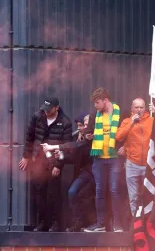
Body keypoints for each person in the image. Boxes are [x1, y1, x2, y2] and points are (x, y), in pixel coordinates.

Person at [19, 97, 72, 232]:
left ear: (56, 108)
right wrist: (26, 157)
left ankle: (55, 224)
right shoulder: (37, 117)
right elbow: (29, 137)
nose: (46, 112)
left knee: (53, 195)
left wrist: (58, 166)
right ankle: (42, 223)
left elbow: (65, 147)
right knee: (39, 195)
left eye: (49, 110)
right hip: (38, 162)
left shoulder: (65, 122)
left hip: (53, 163)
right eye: (45, 109)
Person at [42, 114, 95, 232]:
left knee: (85, 196)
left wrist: (54, 147)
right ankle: (79, 221)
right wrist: (60, 156)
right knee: (72, 192)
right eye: (80, 125)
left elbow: (77, 147)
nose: (81, 128)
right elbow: (73, 157)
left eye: (84, 125)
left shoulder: (91, 138)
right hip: (84, 172)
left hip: (94, 172)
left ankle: (93, 223)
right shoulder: (79, 138)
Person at [83, 87, 126, 232]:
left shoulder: (121, 112)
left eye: (97, 102)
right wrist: (88, 136)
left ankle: (118, 224)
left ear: (106, 100)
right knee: (99, 191)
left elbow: (128, 132)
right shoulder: (95, 115)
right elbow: (88, 132)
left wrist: (125, 146)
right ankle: (100, 224)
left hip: (115, 158)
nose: (95, 105)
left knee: (114, 190)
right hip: (99, 158)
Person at [116, 98, 155, 217]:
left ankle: (148, 223)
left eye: (141, 107)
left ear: (145, 108)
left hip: (149, 165)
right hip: (132, 164)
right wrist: (131, 122)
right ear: (132, 109)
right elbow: (119, 137)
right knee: (133, 197)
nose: (139, 109)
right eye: (136, 107)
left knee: (149, 196)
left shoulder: (152, 120)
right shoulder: (127, 121)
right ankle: (136, 224)